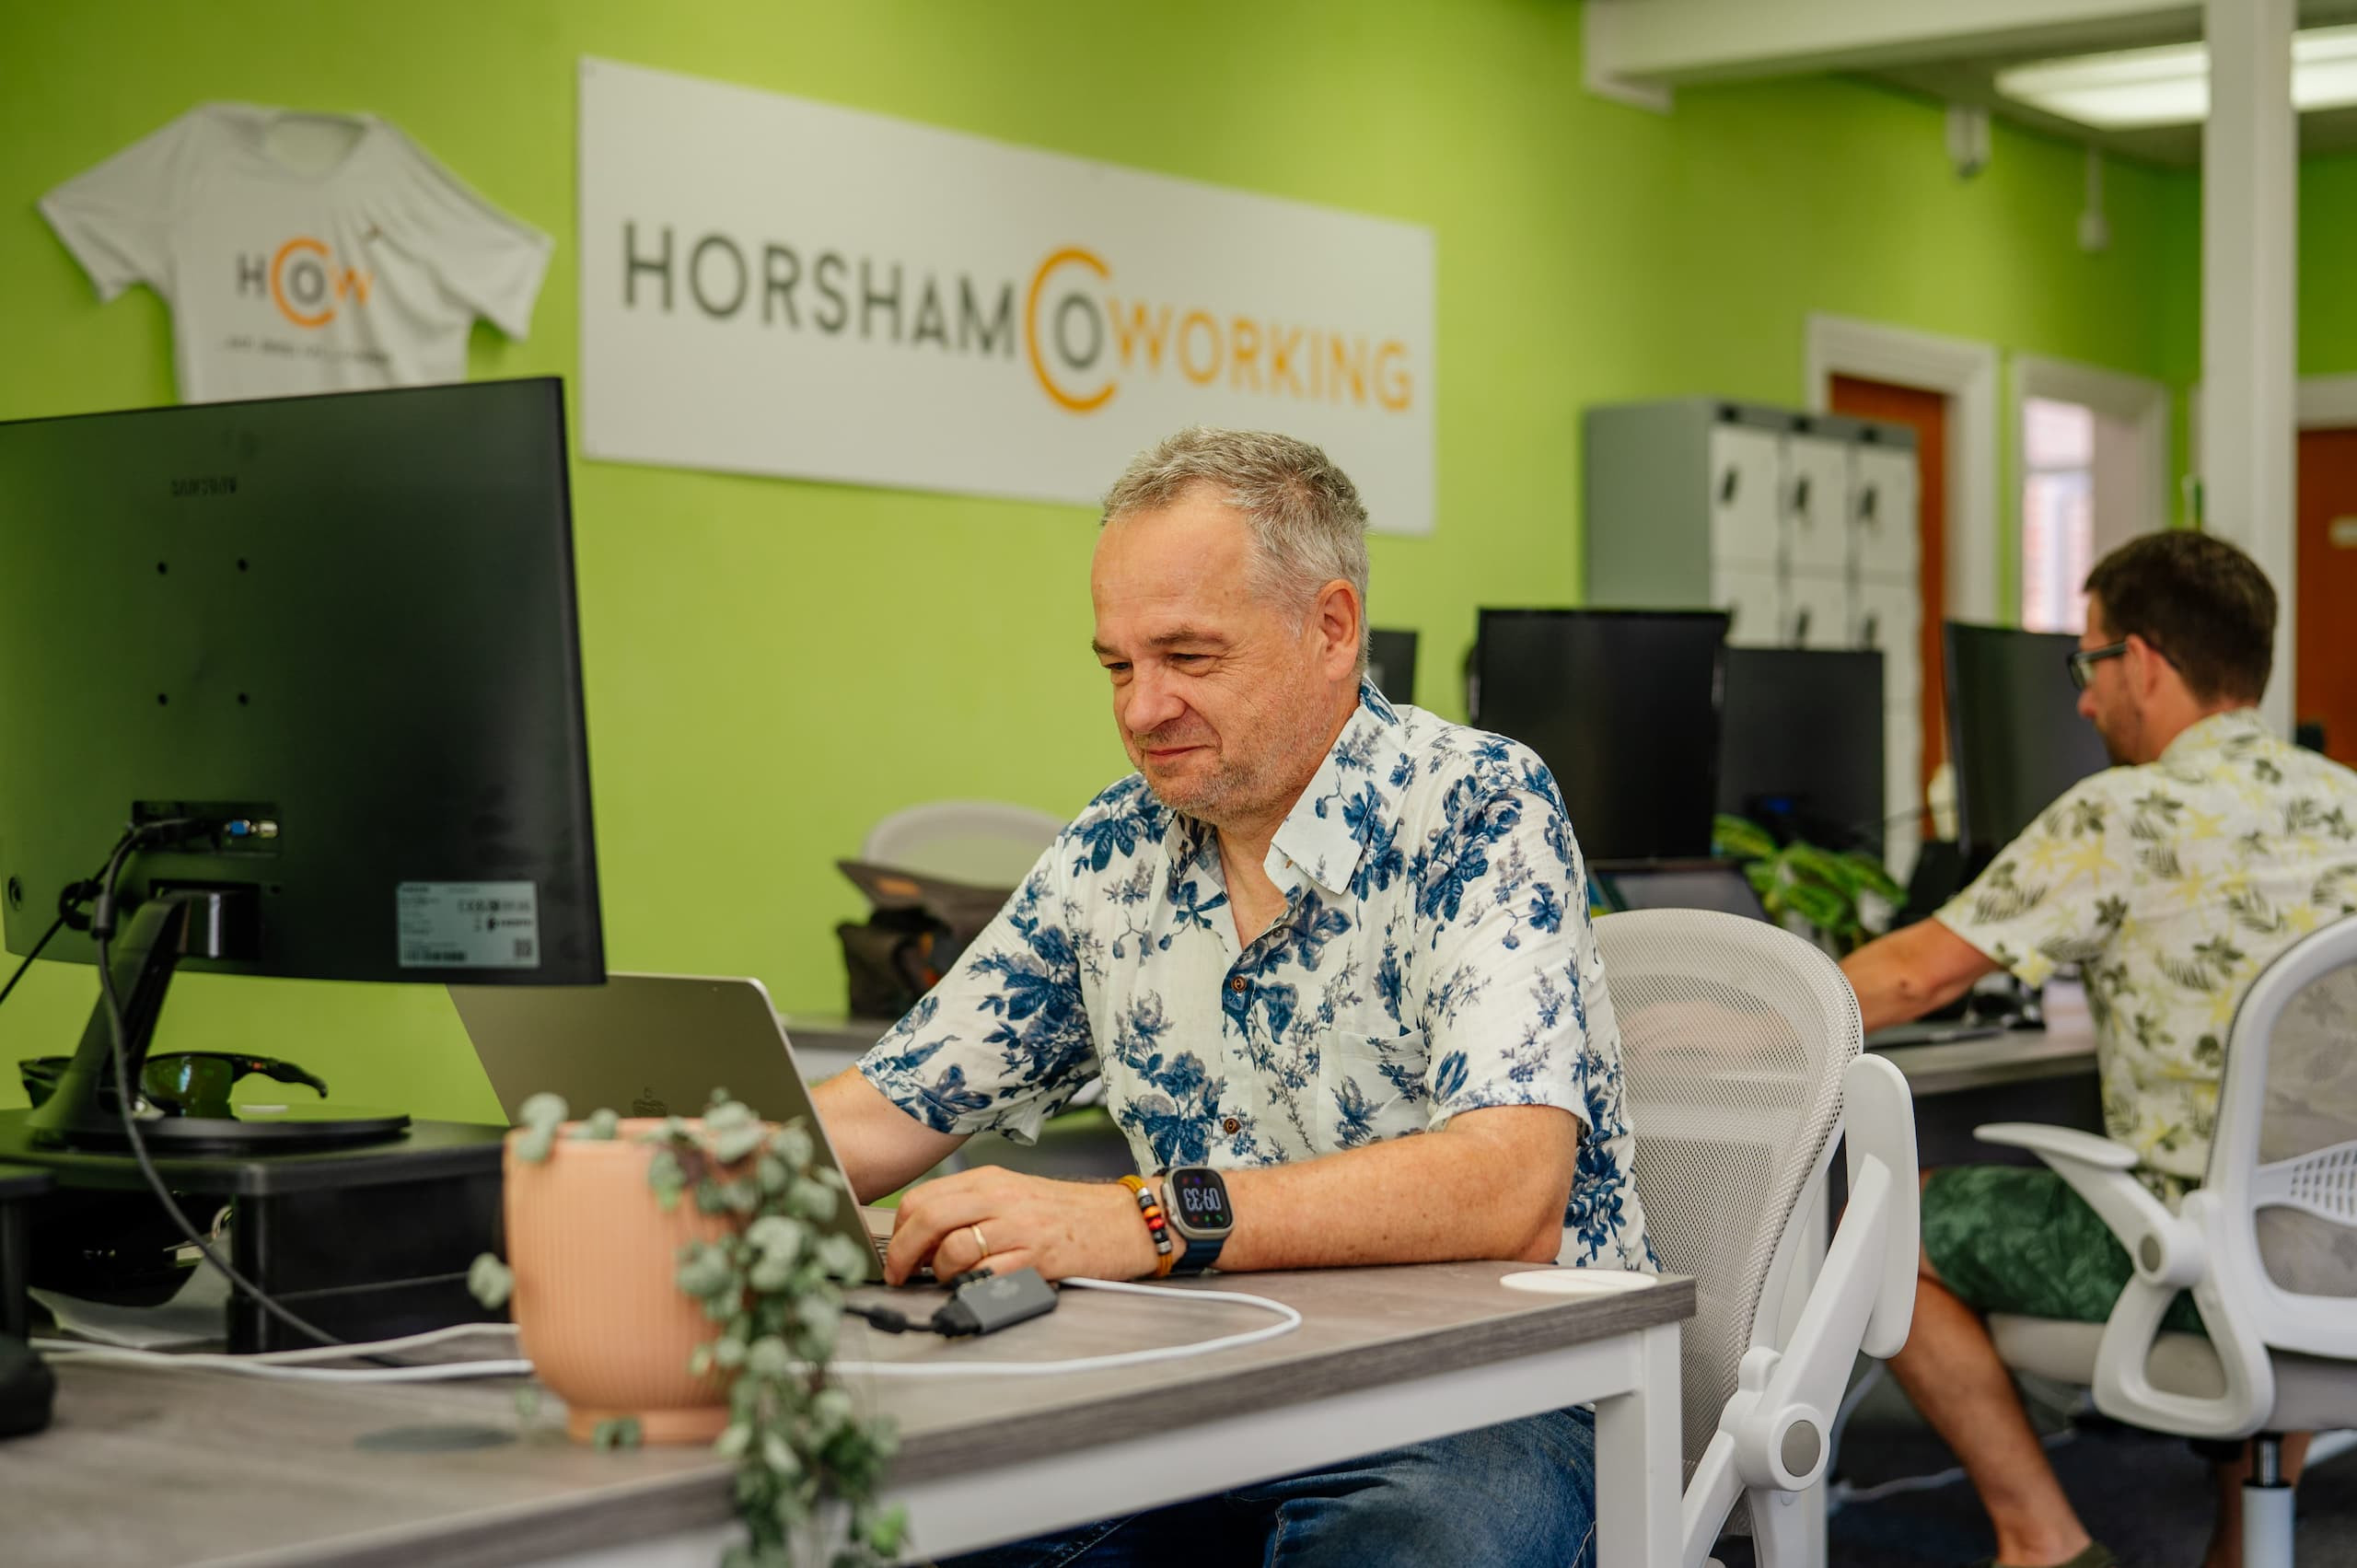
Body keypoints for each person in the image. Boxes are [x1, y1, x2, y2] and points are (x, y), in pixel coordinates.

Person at [811, 426, 1648, 1567]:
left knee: (1401, 1546)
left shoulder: (1474, 803)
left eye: (1189, 658)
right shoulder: (1114, 849)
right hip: (1200, 1376)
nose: (1142, 708)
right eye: (1117, 665)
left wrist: (1145, 1218)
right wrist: (664, 1166)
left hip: (1485, 1383)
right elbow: (882, 1111)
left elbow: (1508, 1186)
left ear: (1332, 627)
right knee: (906, 1526)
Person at [1841, 530, 2357, 1568]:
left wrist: (1743, 1005)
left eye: (2088, 664)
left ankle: (2042, 1537)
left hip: (2201, 1255)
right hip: (2337, 1241)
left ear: (2148, 660)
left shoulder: (2124, 812)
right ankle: (2234, 1538)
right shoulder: (2345, 799)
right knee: (2266, 1174)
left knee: (1882, 1214)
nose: (2080, 700)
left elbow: (1912, 978)